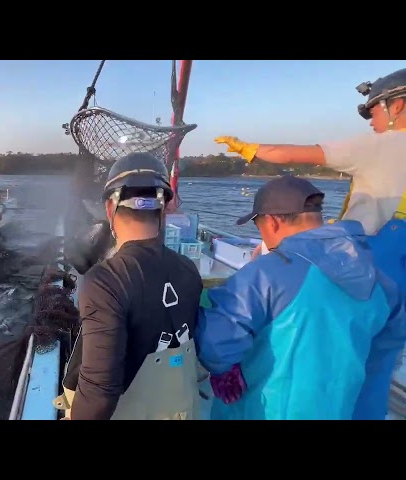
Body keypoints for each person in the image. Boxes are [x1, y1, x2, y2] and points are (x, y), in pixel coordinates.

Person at [194, 176, 406, 420]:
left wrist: (223, 369)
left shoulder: (265, 273)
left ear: (271, 222)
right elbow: (384, 354)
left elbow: (217, 344)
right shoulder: (380, 277)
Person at [214, 68, 406, 279]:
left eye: (374, 112)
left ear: (397, 106)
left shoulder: (381, 144)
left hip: (367, 265)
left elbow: (287, 154)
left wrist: (247, 148)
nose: (371, 122)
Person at [54, 152, 204, 420]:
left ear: (110, 209)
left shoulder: (105, 281)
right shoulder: (188, 269)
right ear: (163, 208)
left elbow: (99, 390)